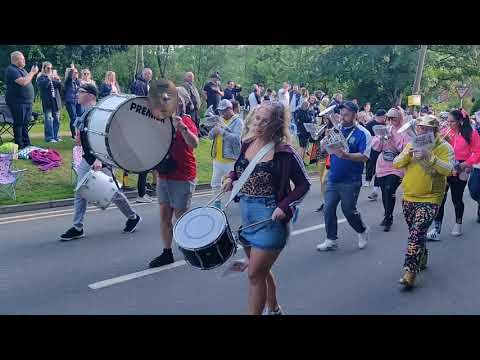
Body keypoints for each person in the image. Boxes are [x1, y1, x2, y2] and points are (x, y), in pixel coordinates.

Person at [222, 101, 310, 315]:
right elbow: (240, 169)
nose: (258, 123)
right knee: (261, 271)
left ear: (276, 124)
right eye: (256, 118)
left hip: (270, 219)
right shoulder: (248, 143)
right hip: (248, 216)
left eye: (265, 120)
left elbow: (304, 184)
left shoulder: (284, 152)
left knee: (254, 275)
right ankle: (275, 308)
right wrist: (231, 178)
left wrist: (284, 206)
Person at [59, 83, 141, 241]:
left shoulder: (99, 113)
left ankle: (133, 217)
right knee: (80, 191)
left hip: (100, 159)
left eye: (80, 92)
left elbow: (105, 137)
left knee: (112, 192)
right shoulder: (85, 113)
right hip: (87, 158)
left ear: (90, 95)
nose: (77, 94)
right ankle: (77, 227)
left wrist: (99, 159)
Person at [392, 115, 454, 288]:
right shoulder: (411, 144)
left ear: (435, 131)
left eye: (427, 129)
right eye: (420, 129)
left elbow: (449, 170)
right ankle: (422, 253)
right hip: (409, 196)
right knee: (416, 232)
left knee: (416, 233)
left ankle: (410, 272)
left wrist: (430, 156)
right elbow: (396, 164)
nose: (422, 132)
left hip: (431, 197)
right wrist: (407, 156)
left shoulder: (444, 147)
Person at [147, 80, 199, 268]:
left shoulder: (185, 121)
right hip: (165, 175)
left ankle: (190, 248)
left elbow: (194, 144)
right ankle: (167, 252)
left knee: (181, 216)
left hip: (183, 175)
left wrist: (183, 129)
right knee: (164, 216)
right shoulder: (159, 121)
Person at [316, 101, 371, 251]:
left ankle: (361, 230)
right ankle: (331, 239)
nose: (342, 117)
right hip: (334, 176)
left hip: (351, 179)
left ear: (355, 114)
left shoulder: (363, 133)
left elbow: (365, 156)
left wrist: (346, 155)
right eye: (341, 114)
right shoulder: (336, 129)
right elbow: (324, 147)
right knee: (328, 208)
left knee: (348, 210)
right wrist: (325, 141)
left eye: (346, 114)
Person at [426, 109, 480, 240]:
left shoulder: (471, 133)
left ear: (460, 121)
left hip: (460, 167)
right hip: (445, 166)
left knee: (456, 198)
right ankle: (436, 230)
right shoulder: (445, 132)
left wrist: (466, 164)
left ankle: (458, 223)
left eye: (452, 122)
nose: (449, 124)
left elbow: (477, 153)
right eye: (447, 121)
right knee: (440, 198)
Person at [371, 107, 410, 231]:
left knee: (389, 189)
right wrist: (382, 138)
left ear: (400, 118)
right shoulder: (385, 129)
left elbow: (405, 149)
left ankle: (388, 218)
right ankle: (387, 214)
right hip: (383, 164)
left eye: (394, 118)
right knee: (384, 191)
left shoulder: (405, 131)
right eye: (389, 118)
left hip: (397, 165)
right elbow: (376, 148)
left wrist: (393, 139)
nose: (391, 120)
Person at [127, 67, 155, 203]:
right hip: (141, 124)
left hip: (138, 124)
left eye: (151, 74)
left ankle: (142, 193)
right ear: (145, 74)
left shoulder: (138, 83)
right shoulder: (141, 85)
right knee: (145, 161)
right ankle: (141, 194)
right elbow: (142, 103)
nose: (150, 76)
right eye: (148, 74)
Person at [208, 99, 243, 208]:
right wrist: (215, 129)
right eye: (220, 111)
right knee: (215, 183)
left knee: (235, 184)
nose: (221, 113)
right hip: (217, 158)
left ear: (230, 109)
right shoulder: (220, 119)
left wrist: (222, 131)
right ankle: (217, 204)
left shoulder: (238, 122)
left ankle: (243, 202)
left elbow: (237, 139)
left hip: (231, 159)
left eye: (223, 111)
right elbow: (210, 136)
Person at [4, 51, 38, 149]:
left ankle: (26, 143)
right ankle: (20, 144)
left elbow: (27, 81)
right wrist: (32, 72)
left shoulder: (22, 70)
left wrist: (30, 73)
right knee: (19, 123)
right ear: (15, 60)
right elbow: (23, 82)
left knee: (25, 123)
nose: (24, 60)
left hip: (27, 102)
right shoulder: (11, 70)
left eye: (23, 58)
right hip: (17, 102)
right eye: (22, 59)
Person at [37, 62, 62, 143]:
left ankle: (55, 136)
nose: (50, 70)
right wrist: (49, 78)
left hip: (56, 101)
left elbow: (60, 88)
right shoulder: (41, 77)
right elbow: (43, 86)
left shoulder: (52, 77)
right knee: (49, 120)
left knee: (57, 120)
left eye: (51, 68)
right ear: (44, 68)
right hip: (47, 102)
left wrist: (59, 80)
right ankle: (49, 137)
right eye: (48, 68)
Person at [364, 109, 387, 198]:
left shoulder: (385, 125)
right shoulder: (370, 124)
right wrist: (375, 138)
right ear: (380, 116)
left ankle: (375, 191)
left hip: (383, 149)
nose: (385, 118)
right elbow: (366, 135)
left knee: (378, 169)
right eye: (384, 116)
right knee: (371, 165)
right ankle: (369, 180)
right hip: (373, 148)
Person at [64, 67, 82, 139]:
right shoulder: (68, 81)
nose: (77, 74)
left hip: (77, 101)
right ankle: (73, 134)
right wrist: (72, 69)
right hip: (70, 101)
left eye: (77, 72)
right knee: (73, 117)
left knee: (80, 116)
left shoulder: (77, 81)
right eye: (75, 72)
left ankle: (79, 133)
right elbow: (69, 77)